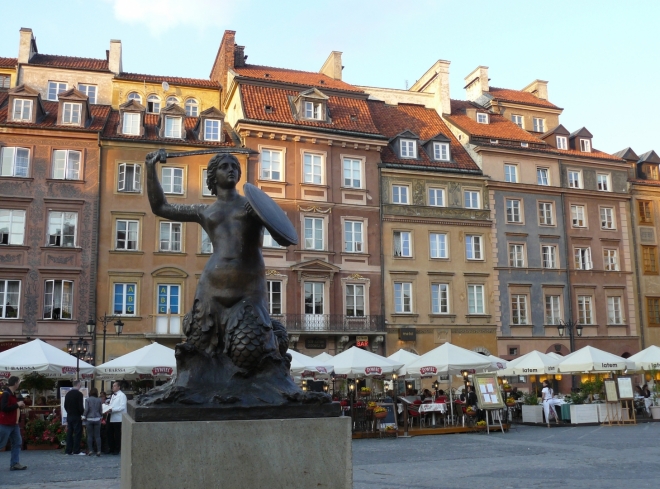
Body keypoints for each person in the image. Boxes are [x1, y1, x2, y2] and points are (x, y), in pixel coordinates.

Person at [0, 376, 27, 471]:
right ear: (15, 383)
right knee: (1, 444)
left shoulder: (12, 394)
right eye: (19, 382)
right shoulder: (6, 394)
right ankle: (14, 463)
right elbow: (3, 408)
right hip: (5, 423)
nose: (19, 384)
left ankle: (15, 463)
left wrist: (19, 406)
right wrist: (17, 405)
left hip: (13, 424)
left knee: (17, 442)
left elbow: (12, 407)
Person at [64, 381, 85, 455]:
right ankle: (76, 450)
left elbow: (65, 406)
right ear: (78, 385)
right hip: (76, 416)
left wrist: (69, 412)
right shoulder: (79, 394)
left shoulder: (68, 394)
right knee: (77, 433)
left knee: (69, 433)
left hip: (69, 416)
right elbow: (80, 406)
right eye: (80, 385)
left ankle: (68, 450)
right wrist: (82, 413)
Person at [107, 382, 127, 455]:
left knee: (117, 434)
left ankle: (117, 449)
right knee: (110, 433)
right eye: (113, 386)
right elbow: (111, 405)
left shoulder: (122, 395)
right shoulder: (112, 395)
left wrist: (113, 409)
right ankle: (111, 448)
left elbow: (122, 407)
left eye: (115, 386)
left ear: (119, 387)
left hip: (118, 417)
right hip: (111, 416)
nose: (113, 387)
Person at [82, 388, 103, 456]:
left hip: (89, 419)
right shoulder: (99, 400)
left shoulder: (87, 400)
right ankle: (99, 451)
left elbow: (86, 409)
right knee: (97, 436)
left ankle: (91, 450)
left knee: (90, 436)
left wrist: (84, 416)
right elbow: (100, 410)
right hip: (97, 418)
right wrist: (101, 415)